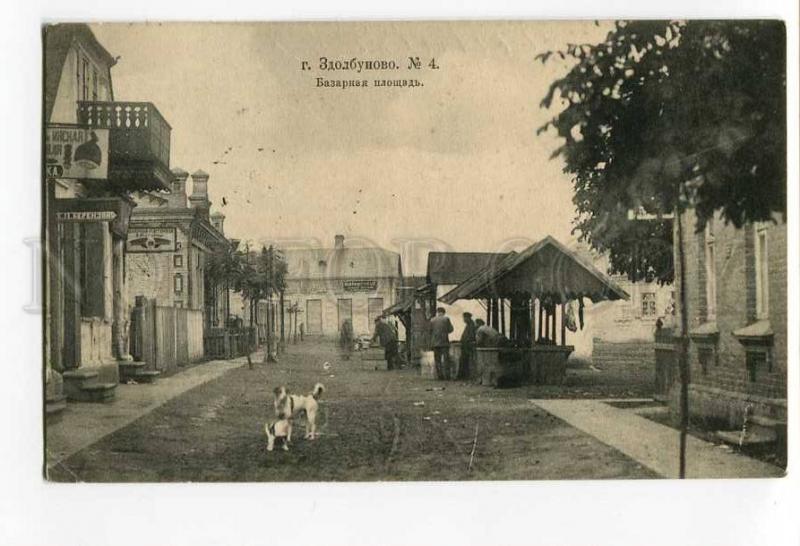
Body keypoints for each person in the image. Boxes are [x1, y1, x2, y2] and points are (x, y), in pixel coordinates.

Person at [430, 307, 454, 379]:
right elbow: (451, 329)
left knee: (437, 360)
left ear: (437, 312)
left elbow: (430, 331)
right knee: (446, 360)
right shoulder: (446, 319)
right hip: (444, 342)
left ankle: (440, 376)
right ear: (444, 312)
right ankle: (447, 376)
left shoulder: (432, 320)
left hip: (435, 343)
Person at [459, 312, 477, 380]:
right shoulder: (469, 324)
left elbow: (471, 336)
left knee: (464, 360)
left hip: (467, 345)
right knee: (464, 360)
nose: (463, 319)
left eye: (464, 318)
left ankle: (464, 376)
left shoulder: (471, 325)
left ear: (467, 318)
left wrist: (464, 341)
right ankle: (464, 376)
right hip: (466, 345)